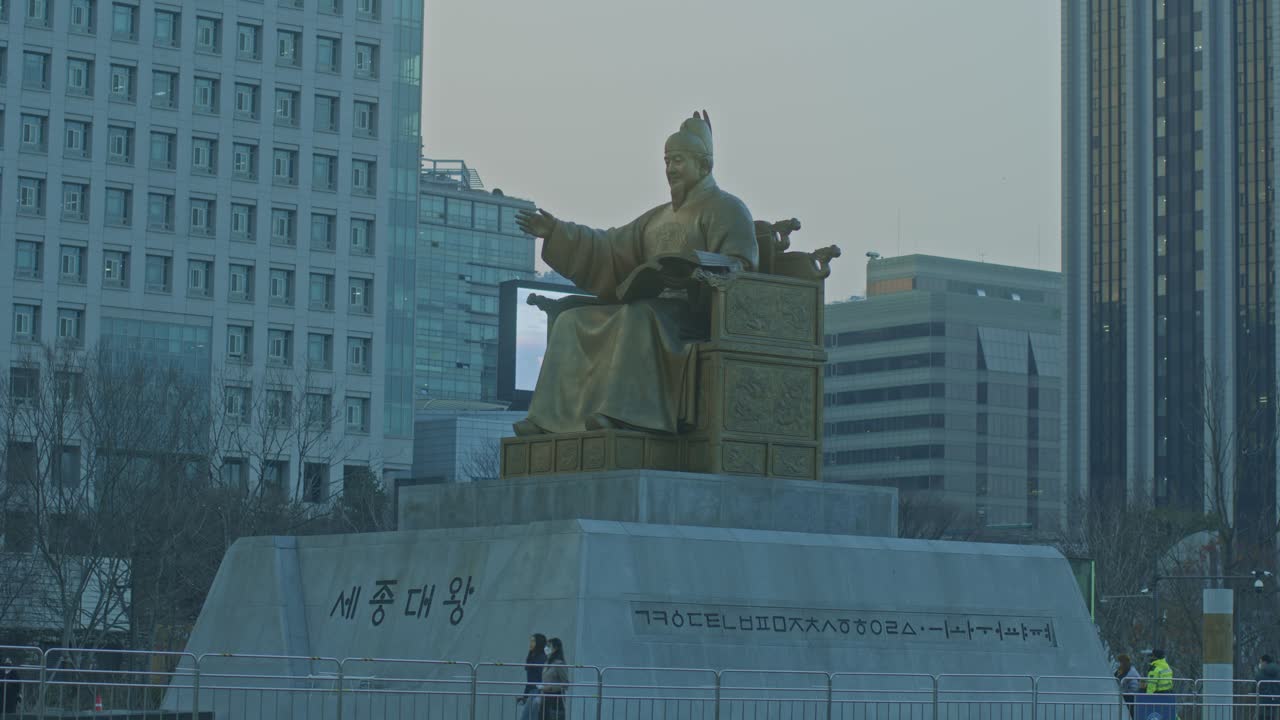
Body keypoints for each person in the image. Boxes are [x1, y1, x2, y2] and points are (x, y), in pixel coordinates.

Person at [513, 111, 758, 436]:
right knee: (571, 321)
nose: (671, 169)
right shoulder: (655, 219)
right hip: (651, 306)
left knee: (637, 316)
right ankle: (548, 419)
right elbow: (609, 247)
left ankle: (624, 416)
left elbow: (739, 264)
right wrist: (556, 232)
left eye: (679, 161)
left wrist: (694, 273)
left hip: (697, 312)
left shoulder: (728, 209)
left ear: (704, 165)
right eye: (668, 161)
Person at [517, 634, 548, 720]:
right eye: (530, 641)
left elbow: (543, 677)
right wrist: (525, 696)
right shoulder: (532, 657)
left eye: (533, 641)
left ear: (539, 643)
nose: (531, 643)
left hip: (538, 692)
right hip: (532, 692)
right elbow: (529, 681)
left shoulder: (542, 658)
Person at [540, 637, 570, 720]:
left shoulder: (559, 664)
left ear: (556, 648)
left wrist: (550, 687)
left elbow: (565, 684)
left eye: (549, 646)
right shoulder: (547, 662)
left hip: (555, 699)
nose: (546, 648)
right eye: (546, 646)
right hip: (545, 697)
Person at [1256, 653, 1280, 720]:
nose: (1260, 664)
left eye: (1260, 662)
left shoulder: (1260, 674)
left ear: (1264, 662)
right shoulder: (1278, 671)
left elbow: (1254, 687)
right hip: (1276, 701)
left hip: (1263, 701)